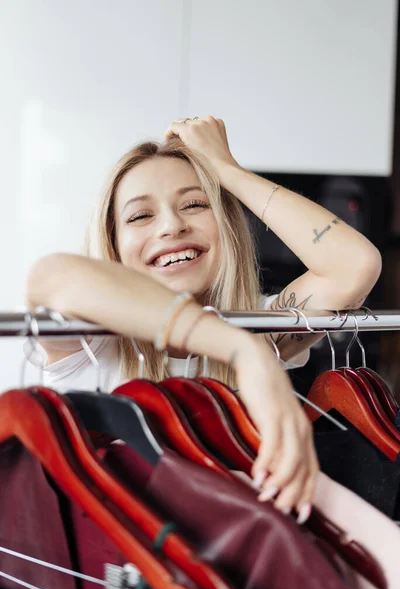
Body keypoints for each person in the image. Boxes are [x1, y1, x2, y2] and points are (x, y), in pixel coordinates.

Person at [24, 116, 381, 525]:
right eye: (140, 216)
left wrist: (229, 170)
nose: (172, 226)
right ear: (114, 244)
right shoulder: (89, 341)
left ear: (225, 227)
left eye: (194, 204)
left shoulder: (259, 324)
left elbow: (355, 264)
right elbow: (50, 277)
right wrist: (241, 351)